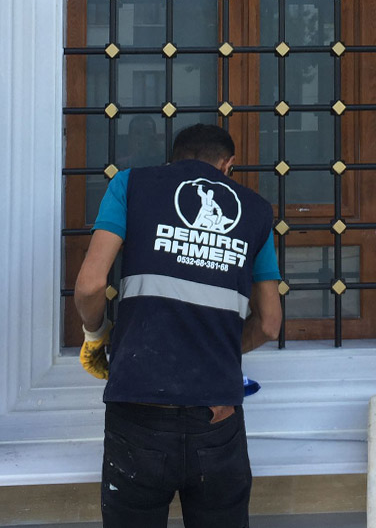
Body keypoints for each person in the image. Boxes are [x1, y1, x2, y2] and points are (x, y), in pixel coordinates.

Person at [74, 123, 282, 528]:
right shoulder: (255, 211)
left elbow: (90, 285)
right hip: (216, 415)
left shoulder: (130, 185)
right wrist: (218, 349)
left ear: (174, 159)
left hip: (139, 411)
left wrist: (96, 336)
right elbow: (270, 323)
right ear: (228, 165)